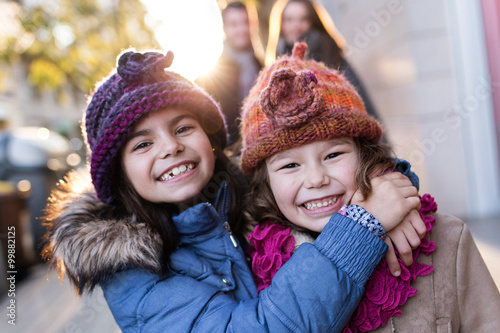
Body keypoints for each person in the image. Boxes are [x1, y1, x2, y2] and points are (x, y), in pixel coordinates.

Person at [41, 49, 421, 332]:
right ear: (119, 174)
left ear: (209, 138)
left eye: (182, 128)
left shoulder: (239, 195)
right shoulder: (131, 274)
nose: (170, 147)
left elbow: (316, 174)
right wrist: (363, 225)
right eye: (142, 144)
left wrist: (390, 189)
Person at [239, 42, 500, 332]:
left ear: (365, 155)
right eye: (290, 165)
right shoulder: (248, 266)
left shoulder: (446, 238)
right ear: (265, 182)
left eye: (333, 155)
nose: (316, 179)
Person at [266, 0, 381, 123]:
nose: (296, 26)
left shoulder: (329, 52)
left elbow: (362, 102)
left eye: (303, 19)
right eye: (289, 19)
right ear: (281, 24)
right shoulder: (275, 62)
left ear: (313, 22)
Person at [197, 1, 262, 151]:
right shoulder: (216, 74)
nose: (241, 29)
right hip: (233, 151)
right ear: (225, 28)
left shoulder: (260, 64)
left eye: (245, 22)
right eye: (234, 24)